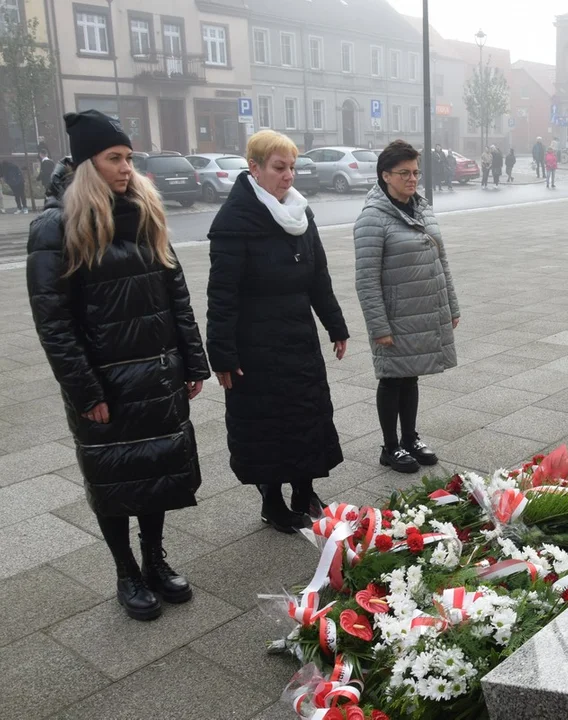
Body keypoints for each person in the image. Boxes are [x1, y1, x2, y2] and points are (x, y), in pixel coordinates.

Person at [27, 109, 210, 621]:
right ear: (89, 163)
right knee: (112, 481)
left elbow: (175, 291)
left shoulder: (144, 211)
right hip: (105, 384)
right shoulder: (56, 227)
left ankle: (154, 560)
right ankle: (126, 571)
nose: (126, 167)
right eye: (114, 158)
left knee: (155, 471)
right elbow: (54, 324)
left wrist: (193, 362)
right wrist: (86, 392)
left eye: (129, 157)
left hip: (156, 375)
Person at [206, 130, 350, 534]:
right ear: (254, 169)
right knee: (266, 425)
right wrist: (222, 355)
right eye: (278, 167)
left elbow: (318, 276)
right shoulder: (235, 221)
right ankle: (272, 501)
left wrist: (335, 325)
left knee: (307, 415)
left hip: (298, 339)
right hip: (255, 346)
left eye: (292, 168)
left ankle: (304, 492)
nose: (288, 176)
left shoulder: (300, 213)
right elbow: (221, 296)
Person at [354, 140, 460, 473]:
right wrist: (379, 326)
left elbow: (440, 258)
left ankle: (411, 438)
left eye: (415, 172)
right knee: (391, 378)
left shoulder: (421, 206)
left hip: (422, 309)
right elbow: (366, 279)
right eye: (404, 173)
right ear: (385, 175)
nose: (412, 178)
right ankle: (390, 446)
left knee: (411, 376)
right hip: (395, 315)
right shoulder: (372, 218)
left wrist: (451, 306)